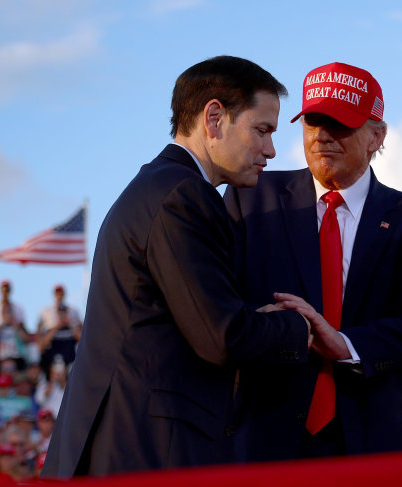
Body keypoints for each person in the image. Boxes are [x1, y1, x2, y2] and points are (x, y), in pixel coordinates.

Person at [42, 56, 311, 478]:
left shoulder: (160, 186)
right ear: (215, 118)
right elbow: (220, 337)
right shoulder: (181, 196)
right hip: (143, 454)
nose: (271, 150)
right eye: (262, 130)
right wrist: (300, 328)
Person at [224, 61, 402, 460]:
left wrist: (347, 344)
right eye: (313, 122)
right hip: (267, 439)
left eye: (340, 122)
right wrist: (268, 326)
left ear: (376, 136)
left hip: (379, 442)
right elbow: (219, 303)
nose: (323, 136)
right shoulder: (251, 199)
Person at [37, 284, 82, 377]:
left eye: (61, 293)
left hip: (70, 356)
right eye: (57, 293)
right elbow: (42, 343)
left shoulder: (73, 312)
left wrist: (69, 324)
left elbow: (82, 339)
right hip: (54, 355)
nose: (59, 295)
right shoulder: (46, 312)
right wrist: (57, 326)